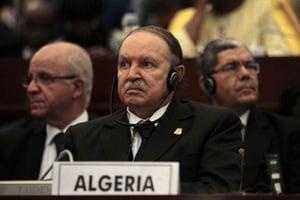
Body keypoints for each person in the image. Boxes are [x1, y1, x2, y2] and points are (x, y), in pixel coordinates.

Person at [64, 26, 242, 194]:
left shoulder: (212, 125)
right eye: (124, 64)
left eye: (147, 64)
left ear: (176, 76)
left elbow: (218, 192)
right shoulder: (83, 137)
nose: (132, 75)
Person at [196, 37, 300, 193]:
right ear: (207, 84)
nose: (245, 74)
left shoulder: (289, 132)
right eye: (232, 67)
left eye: (250, 66)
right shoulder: (191, 133)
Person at [0, 41, 97, 180]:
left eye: (45, 78)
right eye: (29, 80)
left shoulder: (113, 141)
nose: (31, 89)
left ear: (77, 87)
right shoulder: (8, 143)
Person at [168, 0, 300, 58]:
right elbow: (174, 60)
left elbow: (282, 58)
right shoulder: (188, 17)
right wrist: (200, 9)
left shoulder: (263, 7)